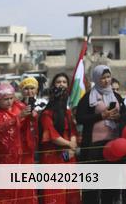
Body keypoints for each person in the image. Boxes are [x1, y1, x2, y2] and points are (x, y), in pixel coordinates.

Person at [75, 65, 123, 204]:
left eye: (108, 77)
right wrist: (101, 116)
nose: (106, 80)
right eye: (102, 78)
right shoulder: (88, 97)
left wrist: (118, 117)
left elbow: (125, 115)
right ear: (96, 79)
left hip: (113, 145)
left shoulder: (116, 96)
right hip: (93, 147)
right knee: (92, 187)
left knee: (110, 186)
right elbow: (80, 118)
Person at [0, 84, 35, 204]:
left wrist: (32, 115)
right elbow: (0, 127)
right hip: (6, 157)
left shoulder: (19, 105)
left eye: (11, 98)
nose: (9, 102)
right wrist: (19, 117)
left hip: (24, 154)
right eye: (6, 99)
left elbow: (31, 120)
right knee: (6, 188)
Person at [39, 73, 80, 204]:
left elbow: (73, 131)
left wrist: (72, 146)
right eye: (58, 82)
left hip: (68, 155)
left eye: (64, 82)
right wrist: (70, 145)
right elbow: (52, 135)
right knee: (55, 192)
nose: (61, 84)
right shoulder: (46, 113)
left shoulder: (67, 112)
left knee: (70, 191)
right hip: (53, 156)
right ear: (53, 87)